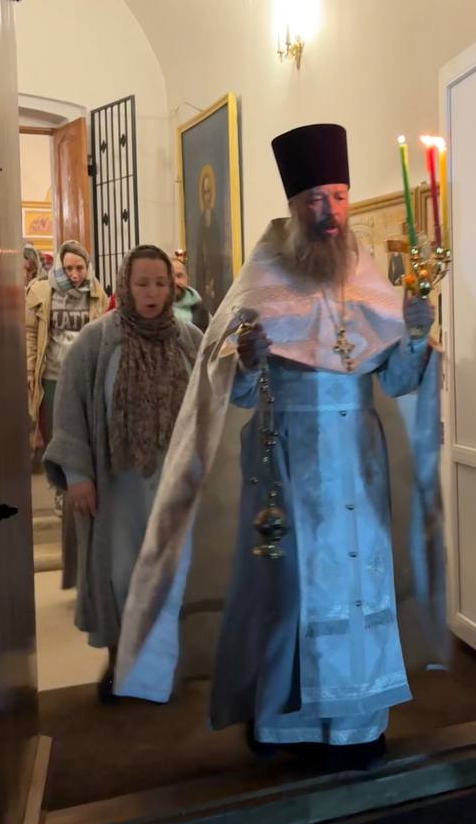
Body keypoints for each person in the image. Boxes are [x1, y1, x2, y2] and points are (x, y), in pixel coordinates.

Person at [115, 124, 446, 769]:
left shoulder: (366, 275)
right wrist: (246, 358)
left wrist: (412, 338)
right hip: (288, 467)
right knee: (290, 591)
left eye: (340, 197)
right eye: (315, 199)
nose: (329, 212)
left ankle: (358, 725)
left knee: (360, 586)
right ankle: (283, 722)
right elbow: (234, 394)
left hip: (361, 468)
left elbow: (397, 381)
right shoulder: (262, 278)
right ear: (293, 206)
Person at [43, 246, 202, 699]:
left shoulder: (190, 340)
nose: (152, 292)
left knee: (173, 574)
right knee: (122, 574)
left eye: (160, 283)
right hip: (118, 488)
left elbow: (209, 405)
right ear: (125, 286)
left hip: (176, 486)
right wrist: (78, 476)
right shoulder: (95, 342)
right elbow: (69, 410)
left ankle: (167, 667)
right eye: (142, 283)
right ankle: (122, 664)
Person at [26, 240, 109, 452]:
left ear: (87, 266)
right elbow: (31, 333)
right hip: (52, 375)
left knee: (82, 433)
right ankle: (56, 473)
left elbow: (104, 332)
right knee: (53, 434)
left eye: (80, 268)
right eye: (68, 268)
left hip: (83, 375)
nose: (74, 274)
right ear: (59, 267)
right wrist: (29, 369)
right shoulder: (42, 290)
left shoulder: (96, 292)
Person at [196, 167, 230, 313]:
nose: (207, 196)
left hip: (216, 266)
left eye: (209, 191)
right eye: (204, 192)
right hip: (204, 265)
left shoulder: (217, 217)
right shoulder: (201, 219)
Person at [172, 253, 210, 331]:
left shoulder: (202, 311)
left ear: (187, 279)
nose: (175, 282)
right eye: (170, 277)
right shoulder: (153, 311)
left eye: (179, 276)